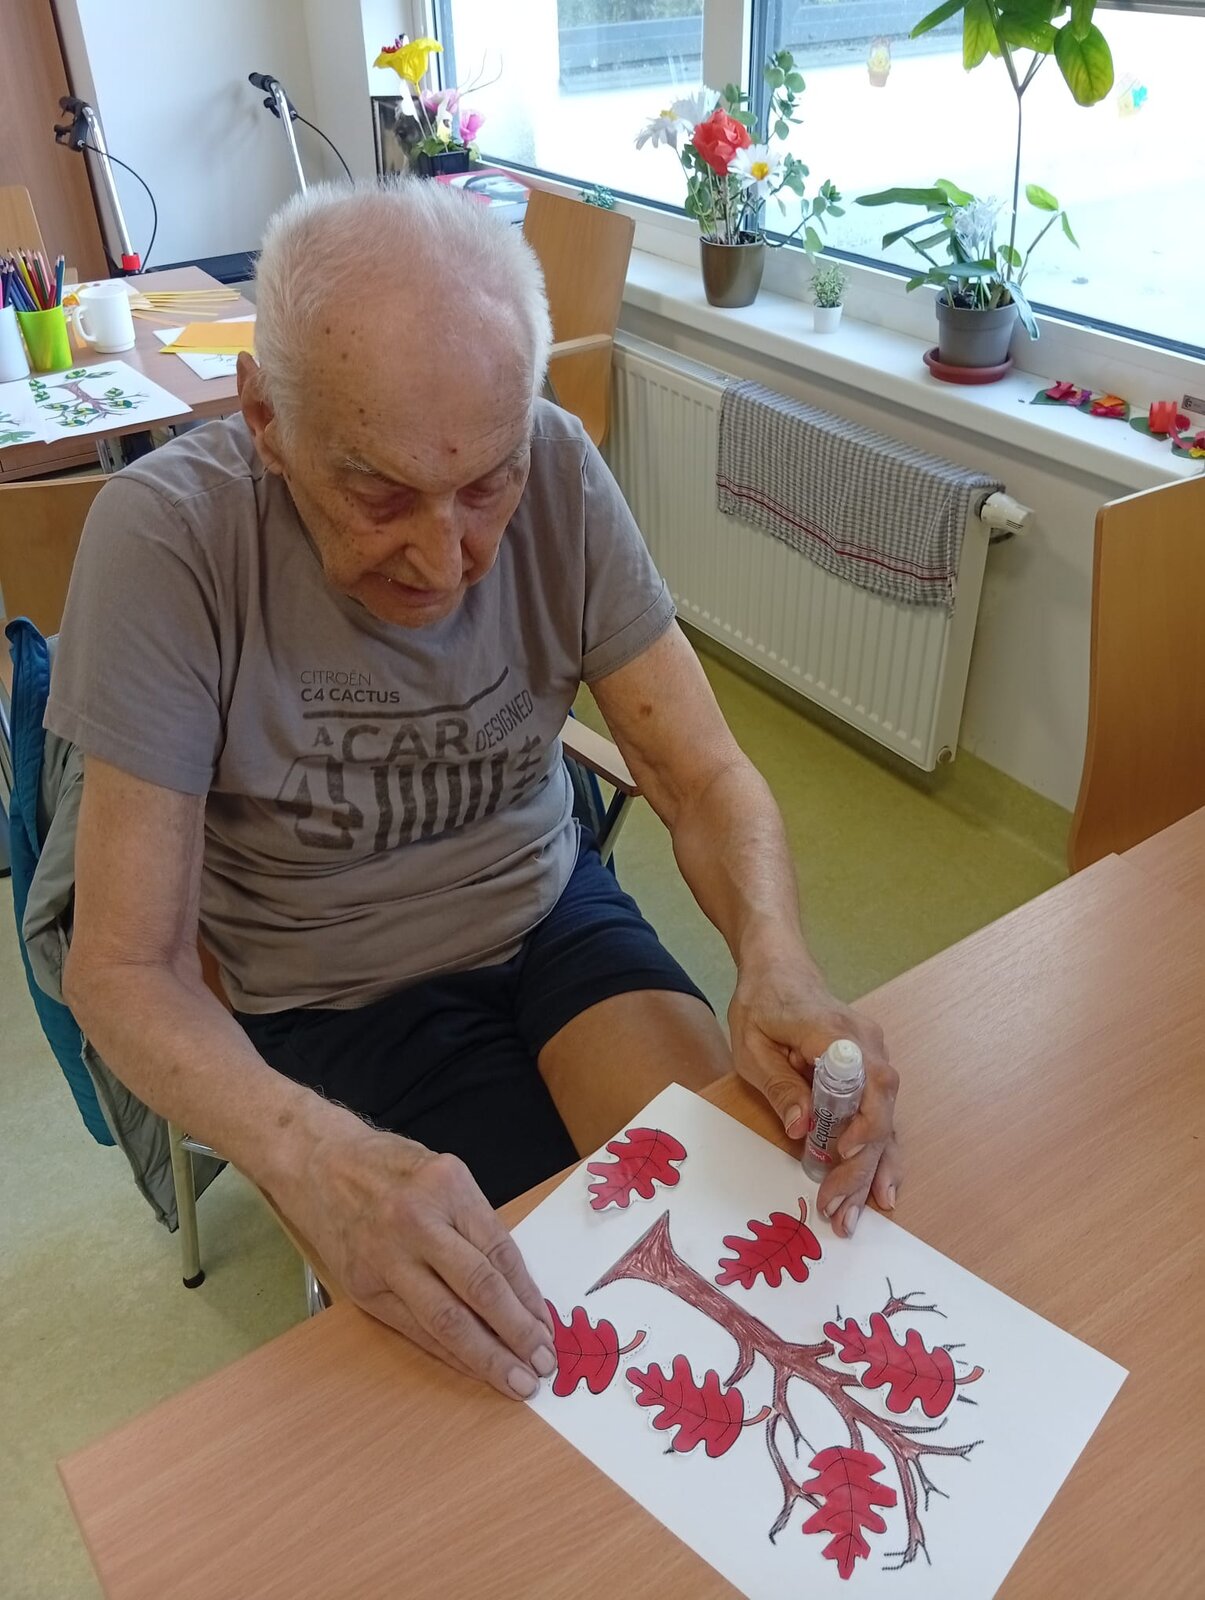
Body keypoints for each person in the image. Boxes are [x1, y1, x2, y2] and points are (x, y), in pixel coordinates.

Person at [52, 182, 899, 1402]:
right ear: (266, 420)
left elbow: (700, 771)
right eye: (379, 494)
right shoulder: (167, 541)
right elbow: (123, 966)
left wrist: (776, 956)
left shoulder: (558, 468)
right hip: (336, 988)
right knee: (555, 1360)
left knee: (755, 1224)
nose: (447, 559)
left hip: (549, 911)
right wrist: (307, 1152)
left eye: (486, 485)